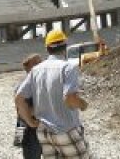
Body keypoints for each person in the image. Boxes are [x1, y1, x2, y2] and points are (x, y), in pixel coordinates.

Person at [15, 29, 90, 158]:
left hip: (44, 133)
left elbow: (19, 99)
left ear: (47, 49)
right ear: (65, 46)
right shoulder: (68, 67)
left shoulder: (36, 70)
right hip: (65, 130)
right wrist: (83, 104)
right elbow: (70, 99)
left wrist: (30, 122)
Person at [14, 53, 44, 159]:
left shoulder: (43, 82)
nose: (41, 64)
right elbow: (21, 110)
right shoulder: (22, 86)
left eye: (41, 61)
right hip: (29, 130)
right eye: (36, 63)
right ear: (28, 67)